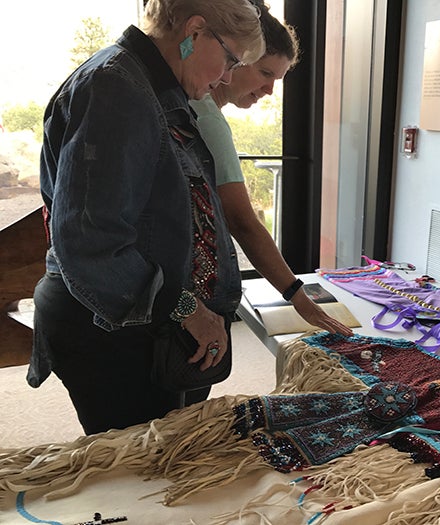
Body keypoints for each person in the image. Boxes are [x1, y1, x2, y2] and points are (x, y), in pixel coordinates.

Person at [29, 0, 266, 435]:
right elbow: (90, 240)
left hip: (145, 329)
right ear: (195, 33)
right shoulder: (115, 87)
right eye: (231, 59)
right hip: (113, 334)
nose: (228, 77)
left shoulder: (148, 85)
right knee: (141, 482)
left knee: (163, 465)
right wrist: (186, 307)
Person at [190, 2, 354, 336]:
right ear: (237, 57)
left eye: (277, 79)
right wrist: (297, 294)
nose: (269, 90)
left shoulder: (197, 108)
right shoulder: (204, 116)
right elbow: (242, 220)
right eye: (265, 73)